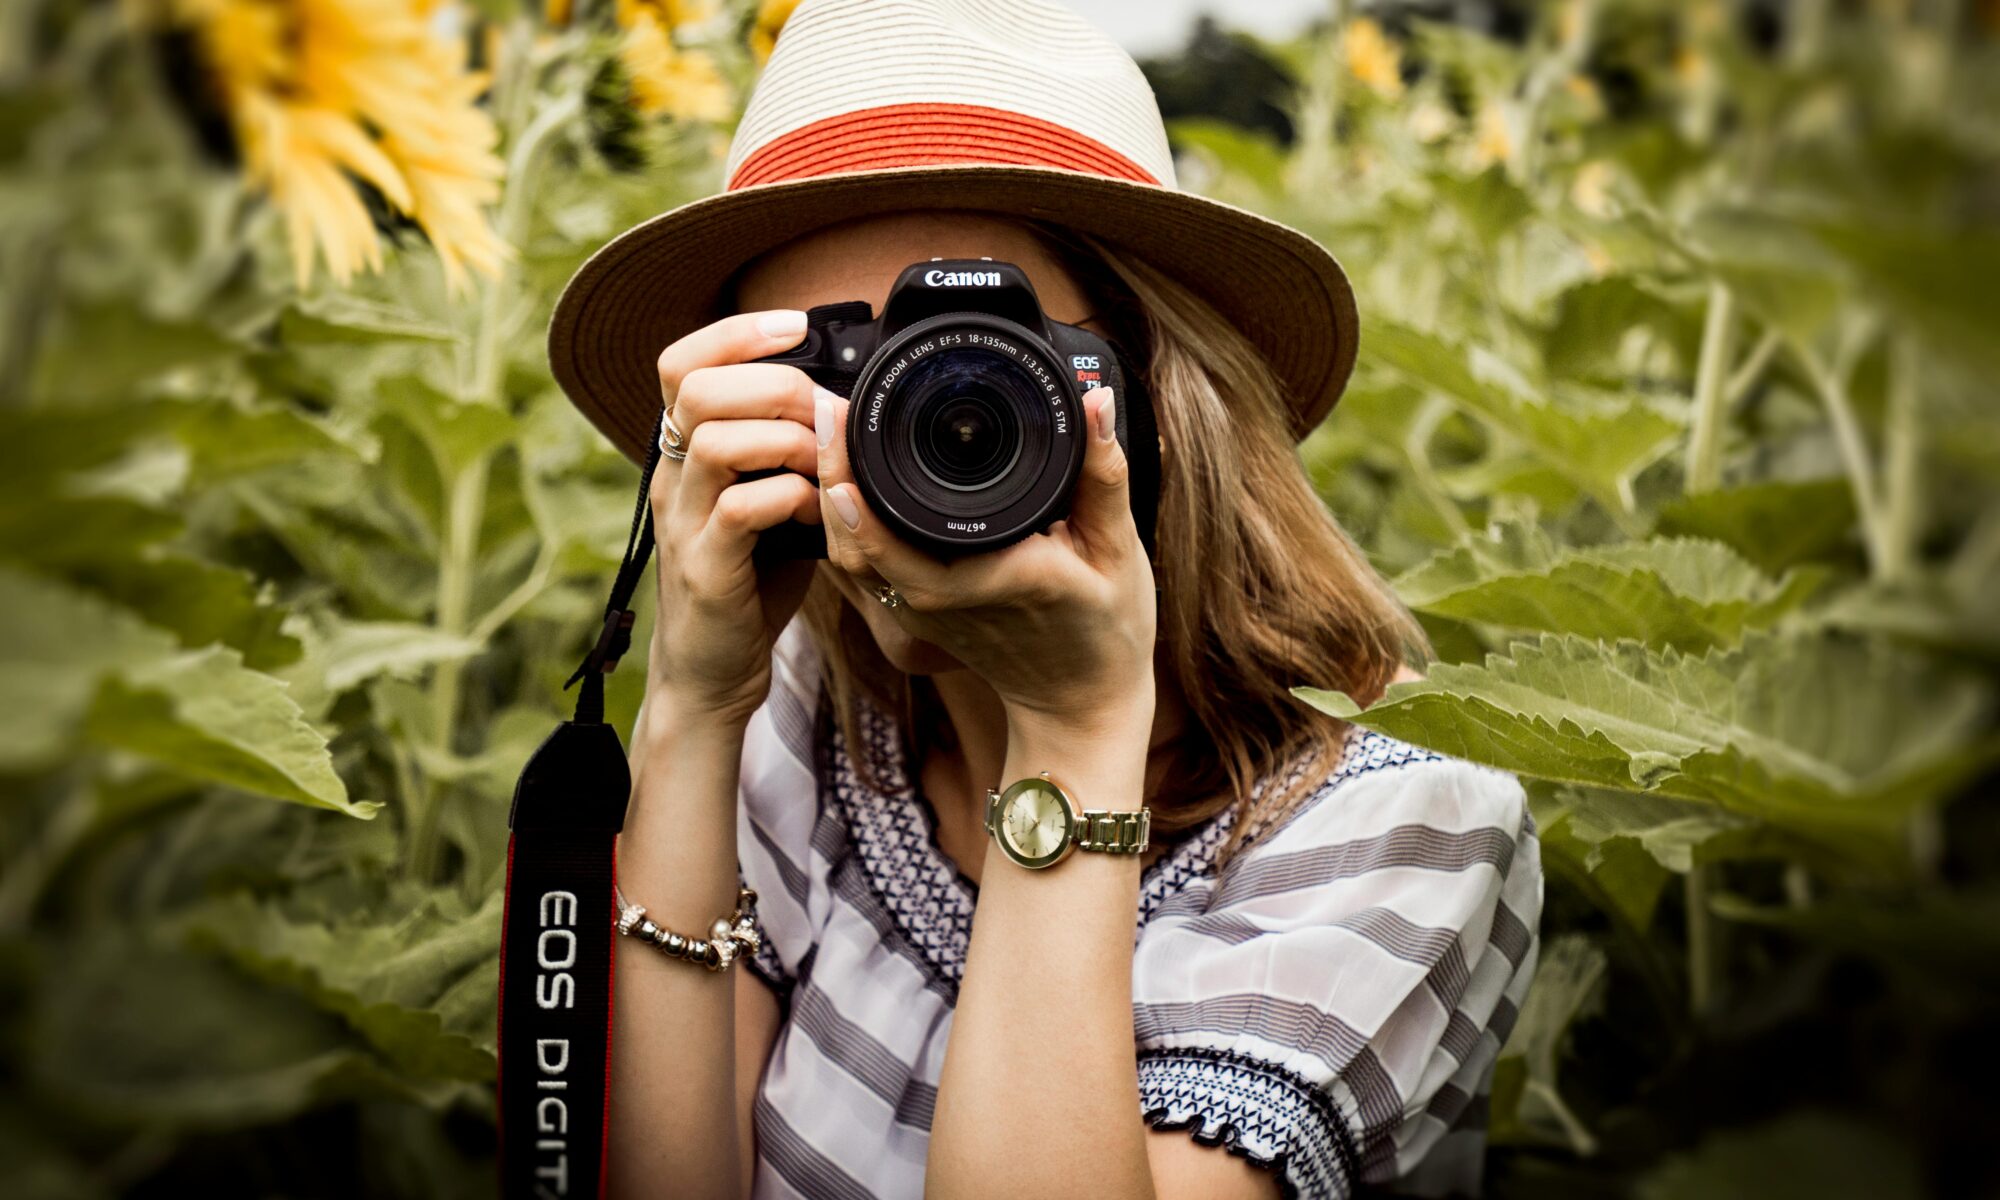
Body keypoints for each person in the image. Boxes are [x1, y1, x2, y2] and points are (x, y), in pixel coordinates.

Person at [544, 4, 1542, 1198]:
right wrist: (689, 702)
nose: (904, 430)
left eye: (984, 352)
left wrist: (1072, 732)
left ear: (1161, 399)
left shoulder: (1411, 825)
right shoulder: (801, 715)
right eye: (842, 372)